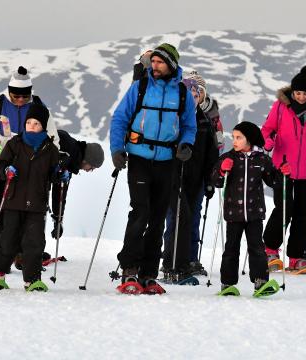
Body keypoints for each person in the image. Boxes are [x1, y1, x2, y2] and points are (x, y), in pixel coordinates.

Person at [110, 43, 197, 294]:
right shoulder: (140, 87)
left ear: (171, 64)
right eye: (153, 61)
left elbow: (189, 126)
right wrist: (117, 149)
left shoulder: (182, 93)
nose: (154, 66)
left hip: (167, 160)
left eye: (160, 62)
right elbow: (120, 118)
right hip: (138, 158)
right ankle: (129, 269)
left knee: (158, 216)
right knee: (140, 212)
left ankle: (148, 273)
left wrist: (186, 144)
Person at [0, 66, 59, 252]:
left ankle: (22, 254)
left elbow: (53, 137)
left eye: (24, 96)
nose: (20, 100)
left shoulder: (38, 106)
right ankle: (1, 252)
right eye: (16, 96)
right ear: (10, 92)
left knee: (29, 214)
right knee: (3, 210)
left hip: (33, 170)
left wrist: (51, 160)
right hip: (3, 168)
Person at [260, 66, 306, 273]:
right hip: (282, 167)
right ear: (292, 92)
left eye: (305, 93)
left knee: (303, 214)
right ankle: (269, 251)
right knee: (284, 210)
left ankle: (297, 257)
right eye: (298, 93)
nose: (301, 97)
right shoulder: (280, 107)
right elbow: (267, 129)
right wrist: (267, 142)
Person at [0, 103, 59, 291]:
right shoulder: (14, 144)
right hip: (13, 202)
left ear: (43, 126)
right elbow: (0, 166)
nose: (32, 126)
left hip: (37, 205)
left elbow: (53, 174)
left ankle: (32, 280)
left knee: (34, 244)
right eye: (29, 122)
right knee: (8, 242)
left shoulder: (50, 150)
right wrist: (5, 170)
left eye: (36, 123)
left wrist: (60, 174)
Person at [211, 121, 287, 297]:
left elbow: (273, 181)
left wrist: (283, 174)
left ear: (250, 139)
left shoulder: (262, 159)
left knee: (257, 248)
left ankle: (261, 282)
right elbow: (216, 181)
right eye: (233, 137)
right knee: (231, 248)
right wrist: (222, 171)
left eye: (239, 138)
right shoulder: (228, 158)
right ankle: (228, 284)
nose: (234, 141)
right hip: (233, 213)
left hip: (254, 213)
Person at [13, 129, 105, 270]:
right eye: (92, 167)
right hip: (28, 175)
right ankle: (22, 255)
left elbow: (60, 192)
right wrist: (58, 220)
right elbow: (59, 191)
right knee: (33, 213)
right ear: (87, 159)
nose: (90, 170)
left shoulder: (73, 154)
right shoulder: (69, 152)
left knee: (35, 212)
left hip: (30, 175)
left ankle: (29, 252)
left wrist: (58, 219)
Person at [161, 78, 219, 281]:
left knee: (191, 220)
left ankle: (187, 261)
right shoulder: (172, 118)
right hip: (174, 178)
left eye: (197, 95)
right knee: (176, 221)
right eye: (189, 95)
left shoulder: (204, 120)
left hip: (197, 180)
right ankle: (170, 263)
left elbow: (211, 154)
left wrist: (211, 180)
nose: (193, 99)